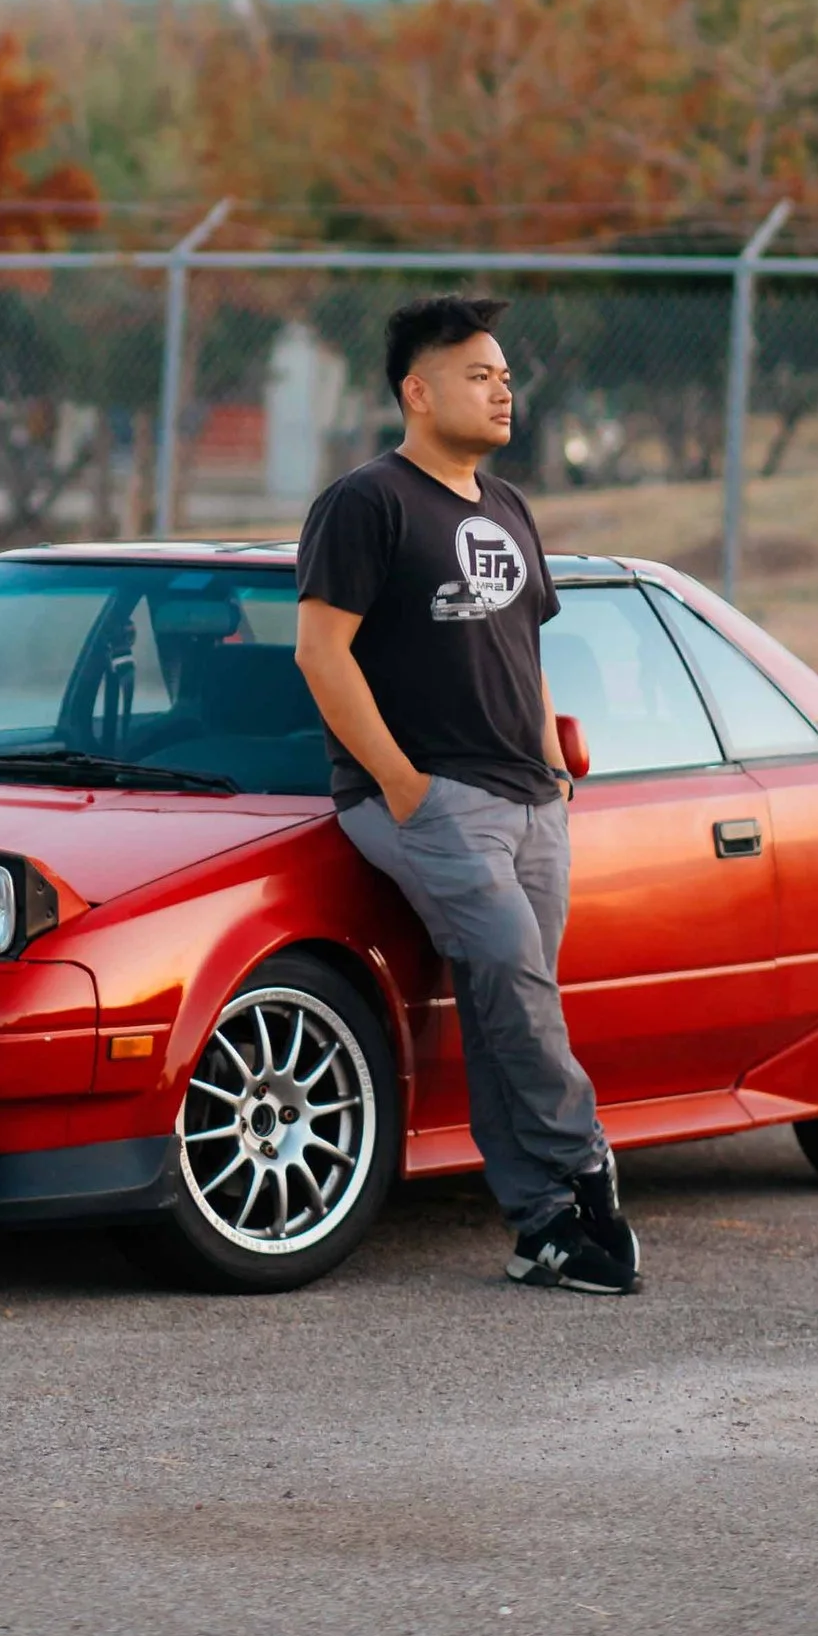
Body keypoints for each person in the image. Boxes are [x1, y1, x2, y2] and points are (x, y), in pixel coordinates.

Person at [293, 296, 638, 1296]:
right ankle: (585, 1170)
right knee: (517, 989)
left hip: (529, 801)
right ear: (417, 389)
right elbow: (322, 652)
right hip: (429, 799)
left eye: (504, 376)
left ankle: (542, 1232)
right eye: (479, 375)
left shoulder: (510, 507)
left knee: (502, 1005)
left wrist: (551, 765)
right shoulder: (368, 501)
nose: (503, 390)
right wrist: (402, 785)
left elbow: (521, 650)